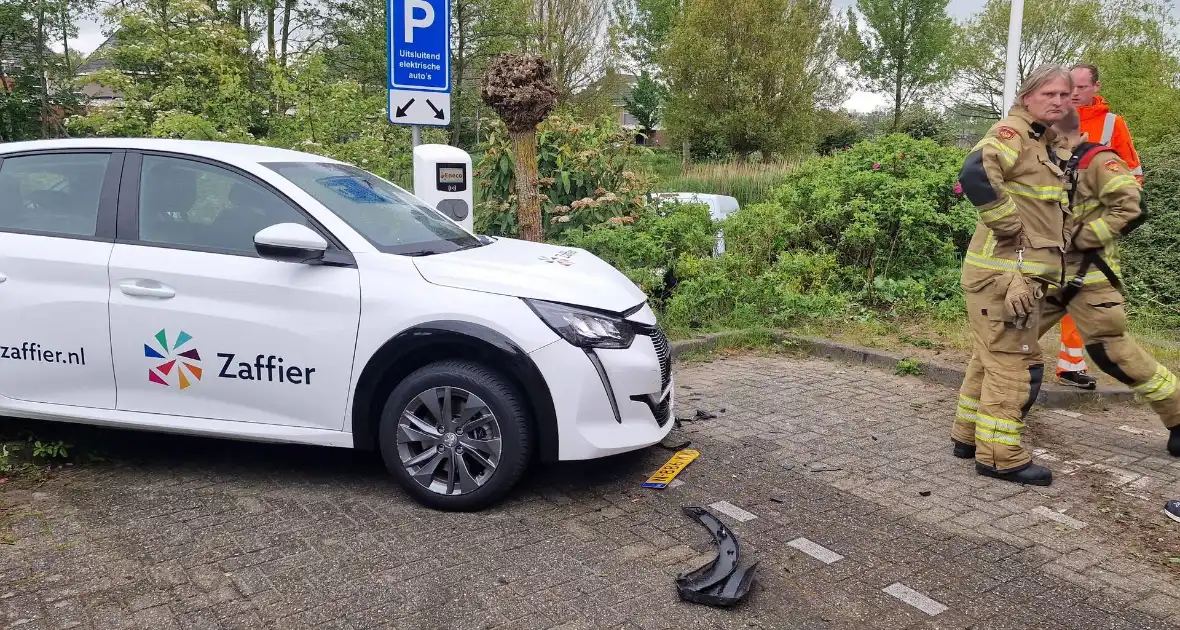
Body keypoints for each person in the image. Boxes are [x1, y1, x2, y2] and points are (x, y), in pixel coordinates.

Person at [949, 64, 1075, 487]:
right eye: (1049, 94)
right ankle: (1001, 457)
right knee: (1017, 365)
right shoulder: (1014, 133)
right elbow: (975, 173)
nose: (1058, 101)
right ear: (1027, 96)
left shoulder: (1046, 141)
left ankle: (967, 437)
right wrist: (1010, 228)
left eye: (1064, 95)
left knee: (988, 359)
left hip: (1015, 276)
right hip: (1004, 277)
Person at [1039, 107, 1180, 452]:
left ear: (1063, 132)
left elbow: (1133, 207)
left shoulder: (1099, 159)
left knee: (1112, 354)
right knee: (1010, 342)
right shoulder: (1048, 161)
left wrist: (1086, 237)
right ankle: (997, 419)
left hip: (1091, 276)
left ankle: (1178, 416)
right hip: (1046, 273)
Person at [1051, 64, 1144, 390]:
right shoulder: (1054, 119)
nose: (1073, 93)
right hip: (1054, 224)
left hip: (1091, 230)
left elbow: (1133, 176)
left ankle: (1070, 366)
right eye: (1068, 86)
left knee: (1082, 295)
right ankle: (1022, 364)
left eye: (1080, 87)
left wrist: (1109, 224)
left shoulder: (1111, 124)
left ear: (1095, 87)